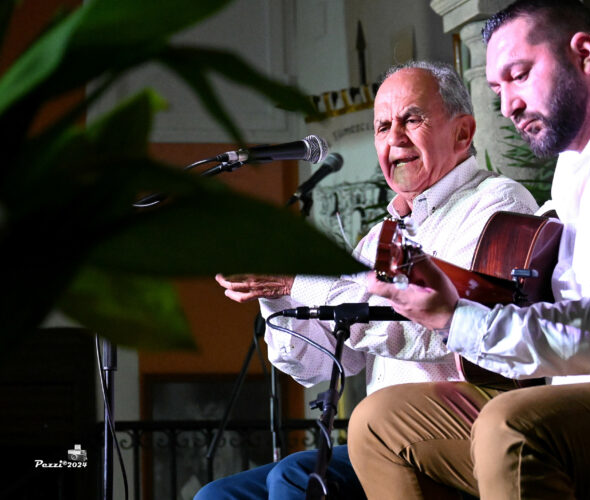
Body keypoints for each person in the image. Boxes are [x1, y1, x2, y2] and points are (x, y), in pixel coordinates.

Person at [349, 1, 590, 499]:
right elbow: (569, 305)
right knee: (380, 422)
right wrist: (458, 297)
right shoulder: (575, 160)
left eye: (519, 76)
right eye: (497, 89)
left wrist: (457, 319)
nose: (508, 104)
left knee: (511, 426)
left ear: (583, 53)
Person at [194, 60, 538, 499]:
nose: (394, 137)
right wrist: (273, 288)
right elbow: (316, 365)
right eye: (382, 126)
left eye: (412, 119)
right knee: (217, 496)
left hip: (451, 436)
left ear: (463, 133)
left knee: (294, 480)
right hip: (374, 441)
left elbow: (430, 326)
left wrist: (293, 281)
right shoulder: (383, 232)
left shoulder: (497, 205)